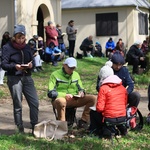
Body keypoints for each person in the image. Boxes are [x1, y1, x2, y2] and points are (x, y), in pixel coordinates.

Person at [1, 25, 39, 133]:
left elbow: (33, 60)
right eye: (18, 37)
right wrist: (15, 66)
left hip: (27, 77)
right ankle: (19, 127)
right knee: (17, 103)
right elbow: (4, 64)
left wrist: (31, 65)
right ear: (14, 37)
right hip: (14, 78)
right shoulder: (7, 47)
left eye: (23, 38)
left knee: (34, 102)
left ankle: (35, 126)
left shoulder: (27, 47)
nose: (21, 40)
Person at [47, 57, 96, 128]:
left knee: (93, 98)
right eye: (70, 68)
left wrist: (81, 92)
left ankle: (83, 121)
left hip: (74, 99)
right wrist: (64, 95)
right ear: (64, 65)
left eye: (73, 68)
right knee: (61, 101)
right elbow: (50, 93)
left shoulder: (76, 75)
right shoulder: (55, 75)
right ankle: (62, 126)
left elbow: (81, 88)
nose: (71, 70)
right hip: (59, 100)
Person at [90, 62, 127, 136]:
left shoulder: (103, 88)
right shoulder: (122, 87)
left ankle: (95, 131)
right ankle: (121, 129)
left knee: (93, 113)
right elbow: (125, 103)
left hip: (109, 118)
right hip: (122, 117)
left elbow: (100, 108)